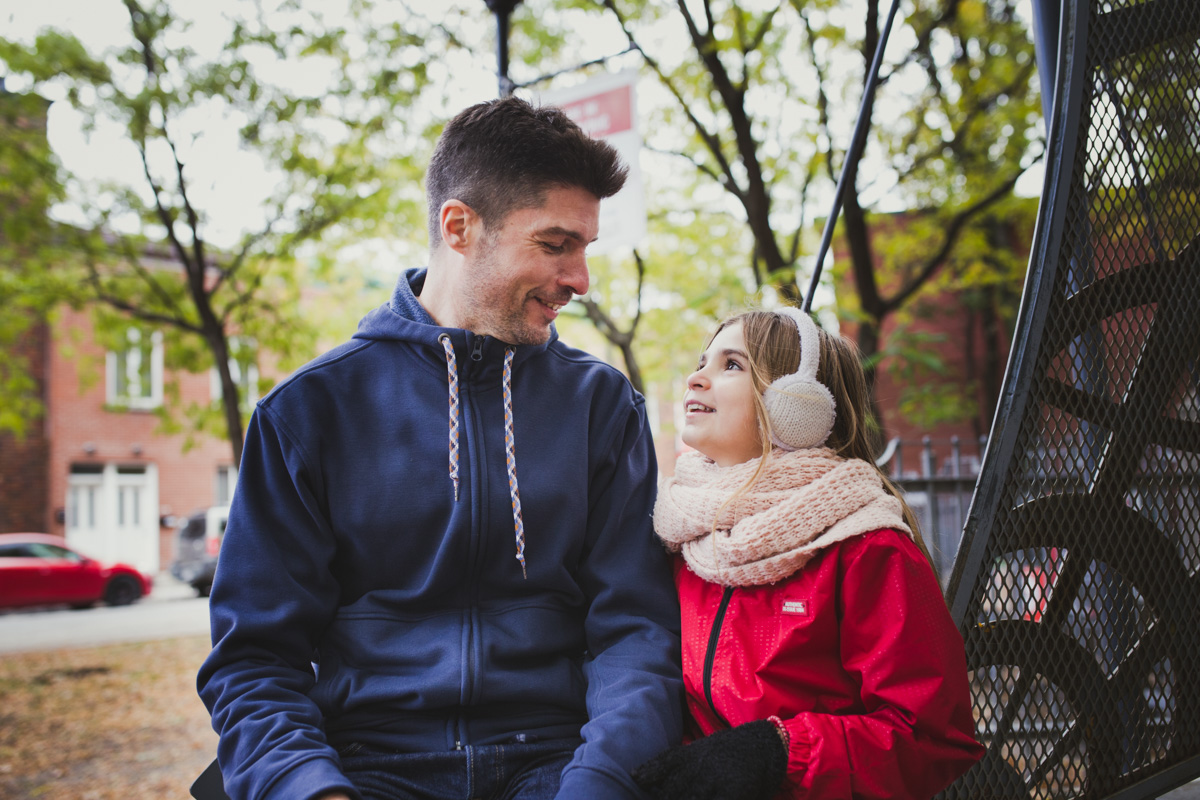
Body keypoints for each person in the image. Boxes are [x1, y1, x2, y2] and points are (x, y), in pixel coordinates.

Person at [197, 96, 683, 800]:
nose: (580, 279)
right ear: (460, 227)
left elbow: (637, 633)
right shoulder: (307, 412)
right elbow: (252, 661)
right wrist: (308, 788)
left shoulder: (601, 407)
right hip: (364, 768)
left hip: (561, 764)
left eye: (585, 248)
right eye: (555, 244)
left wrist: (601, 781)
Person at [633, 308, 984, 800]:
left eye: (731, 365)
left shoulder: (865, 546)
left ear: (796, 408)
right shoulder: (679, 532)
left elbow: (932, 736)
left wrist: (780, 751)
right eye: (702, 361)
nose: (697, 377)